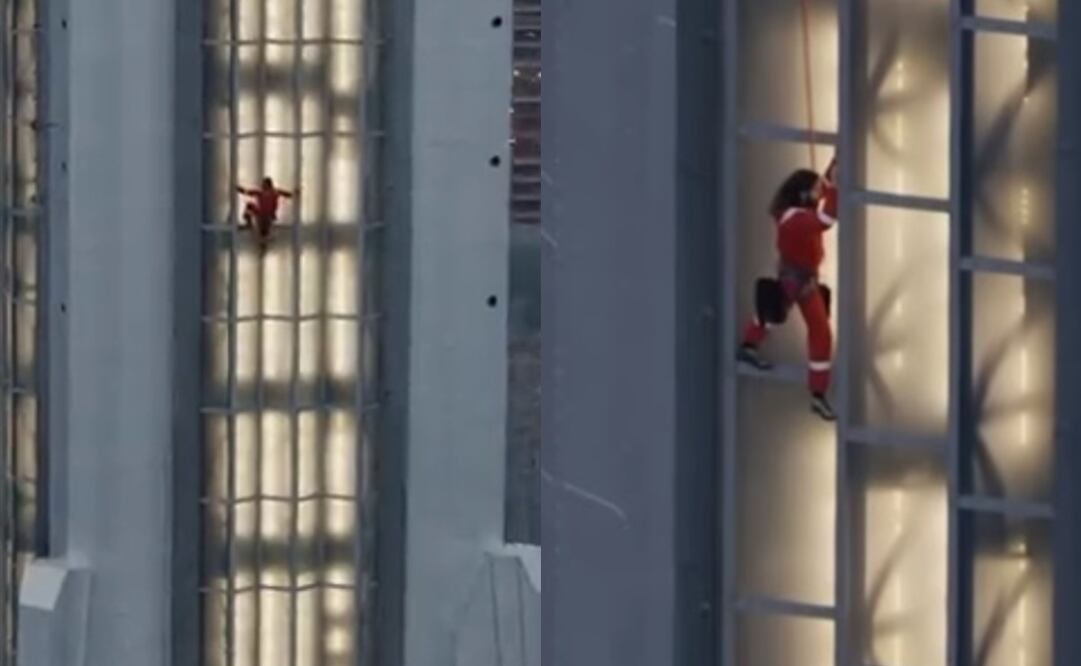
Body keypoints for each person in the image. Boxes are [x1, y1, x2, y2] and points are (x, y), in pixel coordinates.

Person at [737, 157, 839, 422]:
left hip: (800, 278)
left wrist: (836, 164)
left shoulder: (794, 214)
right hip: (800, 279)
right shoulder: (796, 219)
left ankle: (749, 346)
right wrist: (835, 188)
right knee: (807, 327)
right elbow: (827, 219)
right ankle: (817, 393)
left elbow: (824, 186)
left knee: (778, 315)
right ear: (804, 193)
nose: (820, 193)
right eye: (816, 191)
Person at [237, 177, 299, 251]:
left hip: (266, 215)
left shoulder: (272, 192)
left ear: (268, 185)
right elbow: (246, 192)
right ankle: (250, 226)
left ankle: (260, 239)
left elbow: (289, 195)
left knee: (263, 231)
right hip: (263, 213)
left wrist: (295, 192)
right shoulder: (264, 192)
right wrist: (238, 188)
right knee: (249, 206)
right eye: (263, 185)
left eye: (264, 185)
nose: (262, 186)